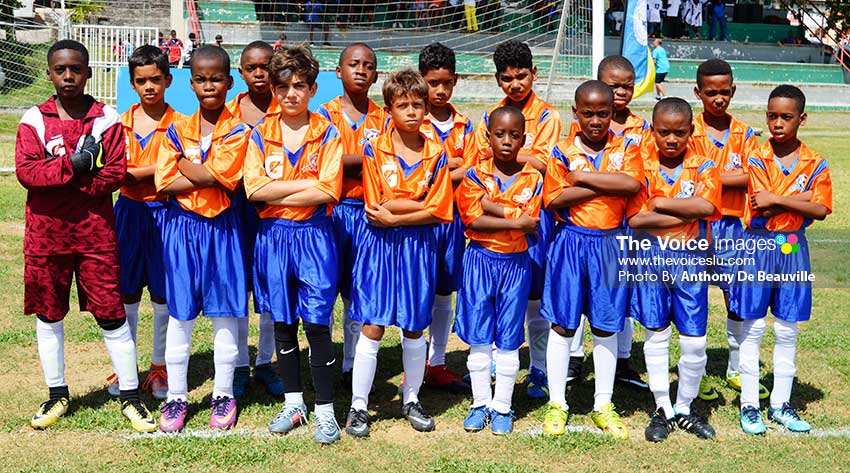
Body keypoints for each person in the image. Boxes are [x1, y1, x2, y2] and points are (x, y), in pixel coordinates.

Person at [17, 39, 156, 432]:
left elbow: (113, 174)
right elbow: (28, 173)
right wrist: (74, 165)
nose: (67, 76)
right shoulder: (33, 119)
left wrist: (60, 173)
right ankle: (56, 393)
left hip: (95, 235)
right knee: (49, 315)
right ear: (49, 73)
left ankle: (131, 396)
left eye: (75, 69)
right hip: (46, 236)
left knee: (112, 315)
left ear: (88, 72)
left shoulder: (106, 119)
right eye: (60, 69)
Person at [243, 45, 343, 444]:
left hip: (315, 238)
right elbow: (253, 189)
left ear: (313, 88)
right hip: (274, 239)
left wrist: (277, 192)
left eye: (299, 86)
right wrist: (307, 186)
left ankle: (325, 410)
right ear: (272, 88)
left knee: (317, 325)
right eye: (282, 86)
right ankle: (294, 402)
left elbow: (330, 189)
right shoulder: (260, 133)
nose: (291, 94)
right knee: (283, 325)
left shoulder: (327, 132)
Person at [345, 69, 454, 437]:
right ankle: (359, 405)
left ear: (426, 108)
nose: (411, 111)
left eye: (417, 105)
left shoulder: (438, 151)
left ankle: (411, 397)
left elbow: (440, 209)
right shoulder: (374, 149)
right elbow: (375, 206)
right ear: (388, 108)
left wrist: (398, 213)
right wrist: (414, 206)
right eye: (402, 105)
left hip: (417, 249)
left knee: (413, 326)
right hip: (380, 249)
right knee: (372, 325)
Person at [540, 80, 643, 439]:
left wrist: (582, 178)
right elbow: (553, 199)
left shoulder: (627, 147)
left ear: (613, 114)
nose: (596, 120)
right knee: (563, 326)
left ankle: (603, 403)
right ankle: (557, 402)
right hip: (570, 243)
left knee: (605, 324)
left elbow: (632, 185)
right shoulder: (561, 150)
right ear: (576, 113)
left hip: (610, 244)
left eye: (603, 113)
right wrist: (606, 182)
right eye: (588, 113)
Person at [155, 45, 249, 432]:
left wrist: (182, 161)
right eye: (201, 78)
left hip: (222, 228)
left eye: (216, 79)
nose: (208, 85)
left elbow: (218, 177)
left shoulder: (240, 131)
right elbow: (164, 182)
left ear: (229, 82)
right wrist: (190, 169)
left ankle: (223, 392)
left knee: (224, 310)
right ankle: (177, 397)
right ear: (190, 82)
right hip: (182, 229)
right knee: (181, 312)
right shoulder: (175, 129)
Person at [733, 85, 831, 435]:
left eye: (786, 117)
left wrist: (780, 199)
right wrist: (798, 197)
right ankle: (749, 405)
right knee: (754, 326)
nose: (777, 123)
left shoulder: (816, 161)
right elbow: (760, 203)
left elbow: (820, 209)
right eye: (772, 116)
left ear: (801, 119)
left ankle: (780, 403)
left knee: (787, 328)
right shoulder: (756, 156)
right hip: (758, 244)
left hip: (792, 246)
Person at [628, 97, 721, 442]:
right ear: (652, 130)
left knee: (695, 340)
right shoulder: (640, 165)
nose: (671, 139)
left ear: (690, 131)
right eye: (664, 132)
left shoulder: (704, 165)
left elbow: (707, 205)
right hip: (651, 256)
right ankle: (663, 408)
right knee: (656, 334)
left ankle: (685, 406)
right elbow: (637, 219)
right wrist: (686, 212)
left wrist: (663, 203)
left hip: (690, 257)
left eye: (679, 132)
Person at [473, 40, 561, 401]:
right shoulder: (488, 116)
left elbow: (543, 164)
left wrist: (506, 153)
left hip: (534, 215)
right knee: (496, 293)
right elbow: (480, 163)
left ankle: (538, 368)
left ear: (534, 74)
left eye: (521, 76)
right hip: (495, 215)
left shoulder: (546, 116)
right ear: (498, 80)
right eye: (507, 78)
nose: (515, 84)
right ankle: (495, 359)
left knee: (535, 296)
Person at [564, 56, 652, 391]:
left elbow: (635, 179)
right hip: (586, 225)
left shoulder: (640, 129)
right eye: (613, 85)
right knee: (581, 291)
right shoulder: (582, 126)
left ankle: (624, 361)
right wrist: (605, 182)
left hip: (628, 222)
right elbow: (566, 180)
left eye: (627, 85)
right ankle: (573, 357)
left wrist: (588, 180)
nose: (620, 92)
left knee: (620, 293)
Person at [455, 106, 542, 435]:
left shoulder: (533, 177)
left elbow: (530, 222)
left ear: (524, 138)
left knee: (508, 337)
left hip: (515, 264)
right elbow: (473, 219)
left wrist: (494, 206)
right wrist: (513, 216)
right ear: (488, 137)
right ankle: (480, 402)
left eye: (514, 135)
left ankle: (503, 406)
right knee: (479, 337)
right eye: (499, 134)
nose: (506, 141)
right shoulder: (475, 174)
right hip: (479, 260)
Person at [689, 59, 768, 403]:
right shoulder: (686, 130)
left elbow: (753, 175)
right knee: (694, 296)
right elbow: (684, 179)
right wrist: (725, 179)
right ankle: (698, 371)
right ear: (698, 93)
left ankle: (735, 367)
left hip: (733, 226)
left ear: (733, 91)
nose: (718, 99)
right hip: (694, 225)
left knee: (735, 296)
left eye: (724, 92)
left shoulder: (745, 134)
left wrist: (708, 179)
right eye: (711, 93)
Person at [110, 45, 181, 401]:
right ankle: (127, 366)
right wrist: (135, 176)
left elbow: (173, 171)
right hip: (128, 211)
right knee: (126, 289)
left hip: (166, 214)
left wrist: (136, 173)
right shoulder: (118, 124)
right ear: (133, 83)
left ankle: (159, 365)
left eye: (156, 79)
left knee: (163, 293)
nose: (149, 86)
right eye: (142, 81)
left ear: (168, 80)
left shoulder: (181, 125)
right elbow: (112, 173)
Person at [316, 43, 388, 385]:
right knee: (327, 288)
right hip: (329, 212)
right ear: (338, 71)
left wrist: (347, 162)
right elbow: (323, 165)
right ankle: (325, 358)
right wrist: (366, 160)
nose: (361, 69)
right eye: (354, 64)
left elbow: (388, 164)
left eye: (368, 65)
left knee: (360, 291)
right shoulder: (323, 114)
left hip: (370, 214)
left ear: (375, 75)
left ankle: (351, 364)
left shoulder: (384, 118)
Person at [225, 40, 285, 400]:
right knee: (239, 286)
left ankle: (265, 361)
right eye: (251, 67)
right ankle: (237, 366)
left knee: (268, 287)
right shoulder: (229, 113)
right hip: (236, 210)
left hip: (274, 210)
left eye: (265, 66)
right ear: (241, 73)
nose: (259, 73)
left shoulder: (288, 111)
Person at [418, 42, 476, 392]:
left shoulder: (465, 125)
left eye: (445, 83)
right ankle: (415, 360)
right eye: (432, 83)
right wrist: (446, 166)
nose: (439, 90)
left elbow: (470, 172)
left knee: (444, 292)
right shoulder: (411, 120)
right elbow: (415, 175)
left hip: (451, 221)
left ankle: (437, 361)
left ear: (455, 81)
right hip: (421, 220)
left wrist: (438, 169)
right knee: (418, 289)